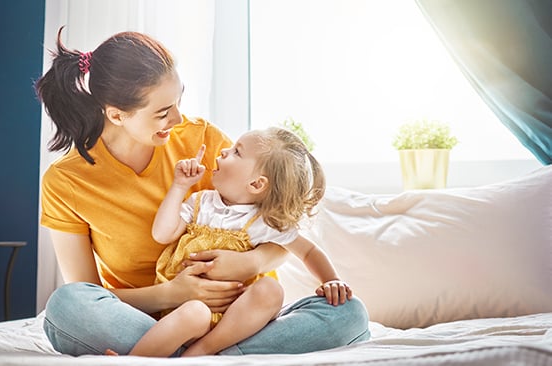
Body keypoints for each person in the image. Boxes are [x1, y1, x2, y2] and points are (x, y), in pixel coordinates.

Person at [35, 26, 370, 357]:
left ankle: (172, 355)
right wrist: (171, 294)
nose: (179, 118)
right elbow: (89, 293)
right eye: (163, 112)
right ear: (117, 115)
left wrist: (247, 262)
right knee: (67, 306)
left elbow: (277, 225)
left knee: (348, 313)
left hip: (242, 318)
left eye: (178, 101)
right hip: (147, 320)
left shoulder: (204, 140)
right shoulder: (66, 182)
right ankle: (218, 355)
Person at [117, 126, 353, 357]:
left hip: (233, 319)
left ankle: (202, 351)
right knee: (195, 312)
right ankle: (136, 361)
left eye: (236, 152)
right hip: (187, 309)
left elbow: (308, 251)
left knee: (271, 290)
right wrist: (179, 187)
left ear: (256, 184)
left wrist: (331, 280)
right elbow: (162, 234)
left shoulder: (264, 222)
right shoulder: (201, 203)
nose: (223, 152)